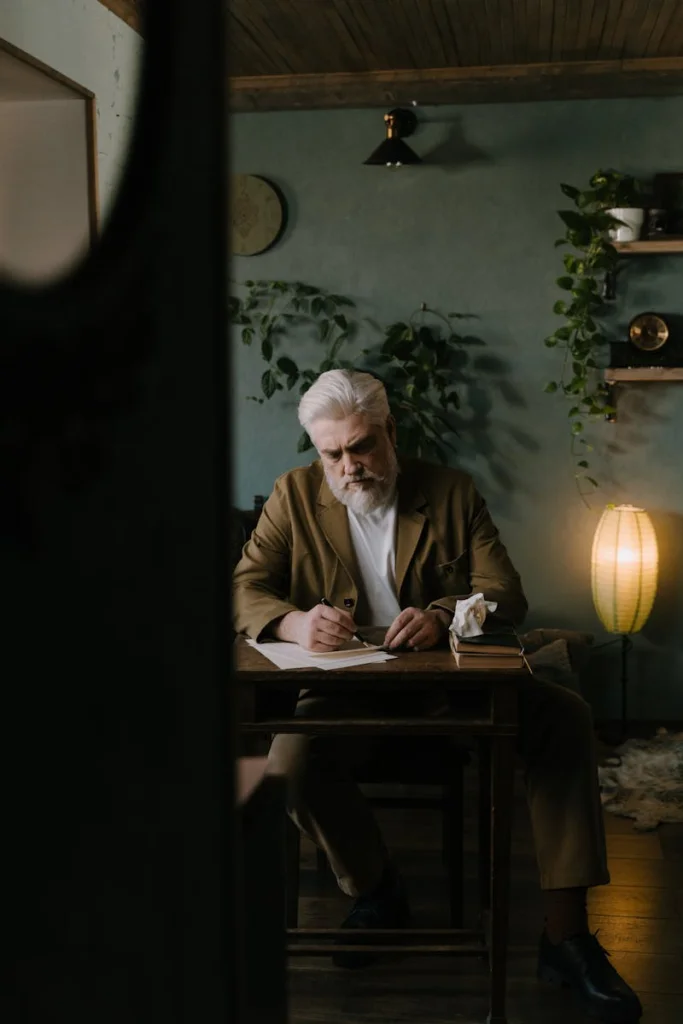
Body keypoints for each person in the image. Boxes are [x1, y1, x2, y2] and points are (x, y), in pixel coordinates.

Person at [233, 370, 642, 1023]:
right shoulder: (293, 495)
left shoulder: (450, 491)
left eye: (362, 446)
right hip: (344, 690)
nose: (349, 467)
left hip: (455, 685)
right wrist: (293, 622)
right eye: (332, 454)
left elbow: (505, 593)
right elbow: (243, 588)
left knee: (563, 716)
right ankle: (376, 890)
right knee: (290, 757)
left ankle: (566, 937)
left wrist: (445, 613)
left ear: (390, 432)